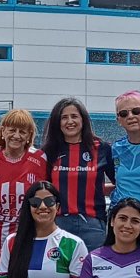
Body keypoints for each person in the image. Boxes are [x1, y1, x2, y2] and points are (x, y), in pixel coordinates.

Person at [0, 107, 47, 268]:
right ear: (3, 131)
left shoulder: (39, 159)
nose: (16, 136)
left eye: (23, 131)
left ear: (29, 136)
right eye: (12, 130)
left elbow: (48, 200)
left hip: (30, 240)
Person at [43, 97, 113, 246]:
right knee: (60, 270)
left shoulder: (102, 148)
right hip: (58, 224)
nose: (70, 121)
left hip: (93, 225)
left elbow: (119, 182)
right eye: (64, 117)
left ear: (83, 119)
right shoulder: (49, 152)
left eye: (74, 116)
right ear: (57, 122)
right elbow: (43, 189)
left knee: (92, 269)